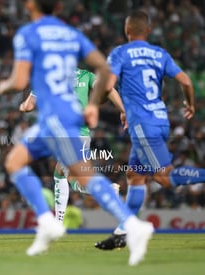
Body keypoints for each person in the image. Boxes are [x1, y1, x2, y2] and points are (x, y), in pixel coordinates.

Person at [0, 0, 153, 266]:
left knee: (44, 168)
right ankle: (58, 222)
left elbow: (20, 83)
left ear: (31, 5)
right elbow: (105, 70)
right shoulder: (72, 35)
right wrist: (101, 106)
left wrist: (4, 87)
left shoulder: (28, 34)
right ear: (57, 7)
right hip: (66, 119)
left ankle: (59, 222)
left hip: (59, 120)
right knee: (59, 171)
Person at [92, 10, 205, 250]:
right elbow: (185, 80)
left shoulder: (120, 53)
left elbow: (108, 85)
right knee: (135, 176)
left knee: (164, 178)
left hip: (143, 126)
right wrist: (190, 104)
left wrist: (98, 100)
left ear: (127, 31)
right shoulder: (159, 53)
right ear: (149, 30)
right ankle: (124, 231)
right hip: (160, 120)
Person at [19, 68, 125, 224]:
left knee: (72, 177)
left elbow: (28, 107)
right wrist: (123, 110)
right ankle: (59, 221)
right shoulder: (85, 75)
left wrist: (23, 104)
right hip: (82, 133)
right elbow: (107, 88)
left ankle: (106, 190)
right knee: (61, 173)